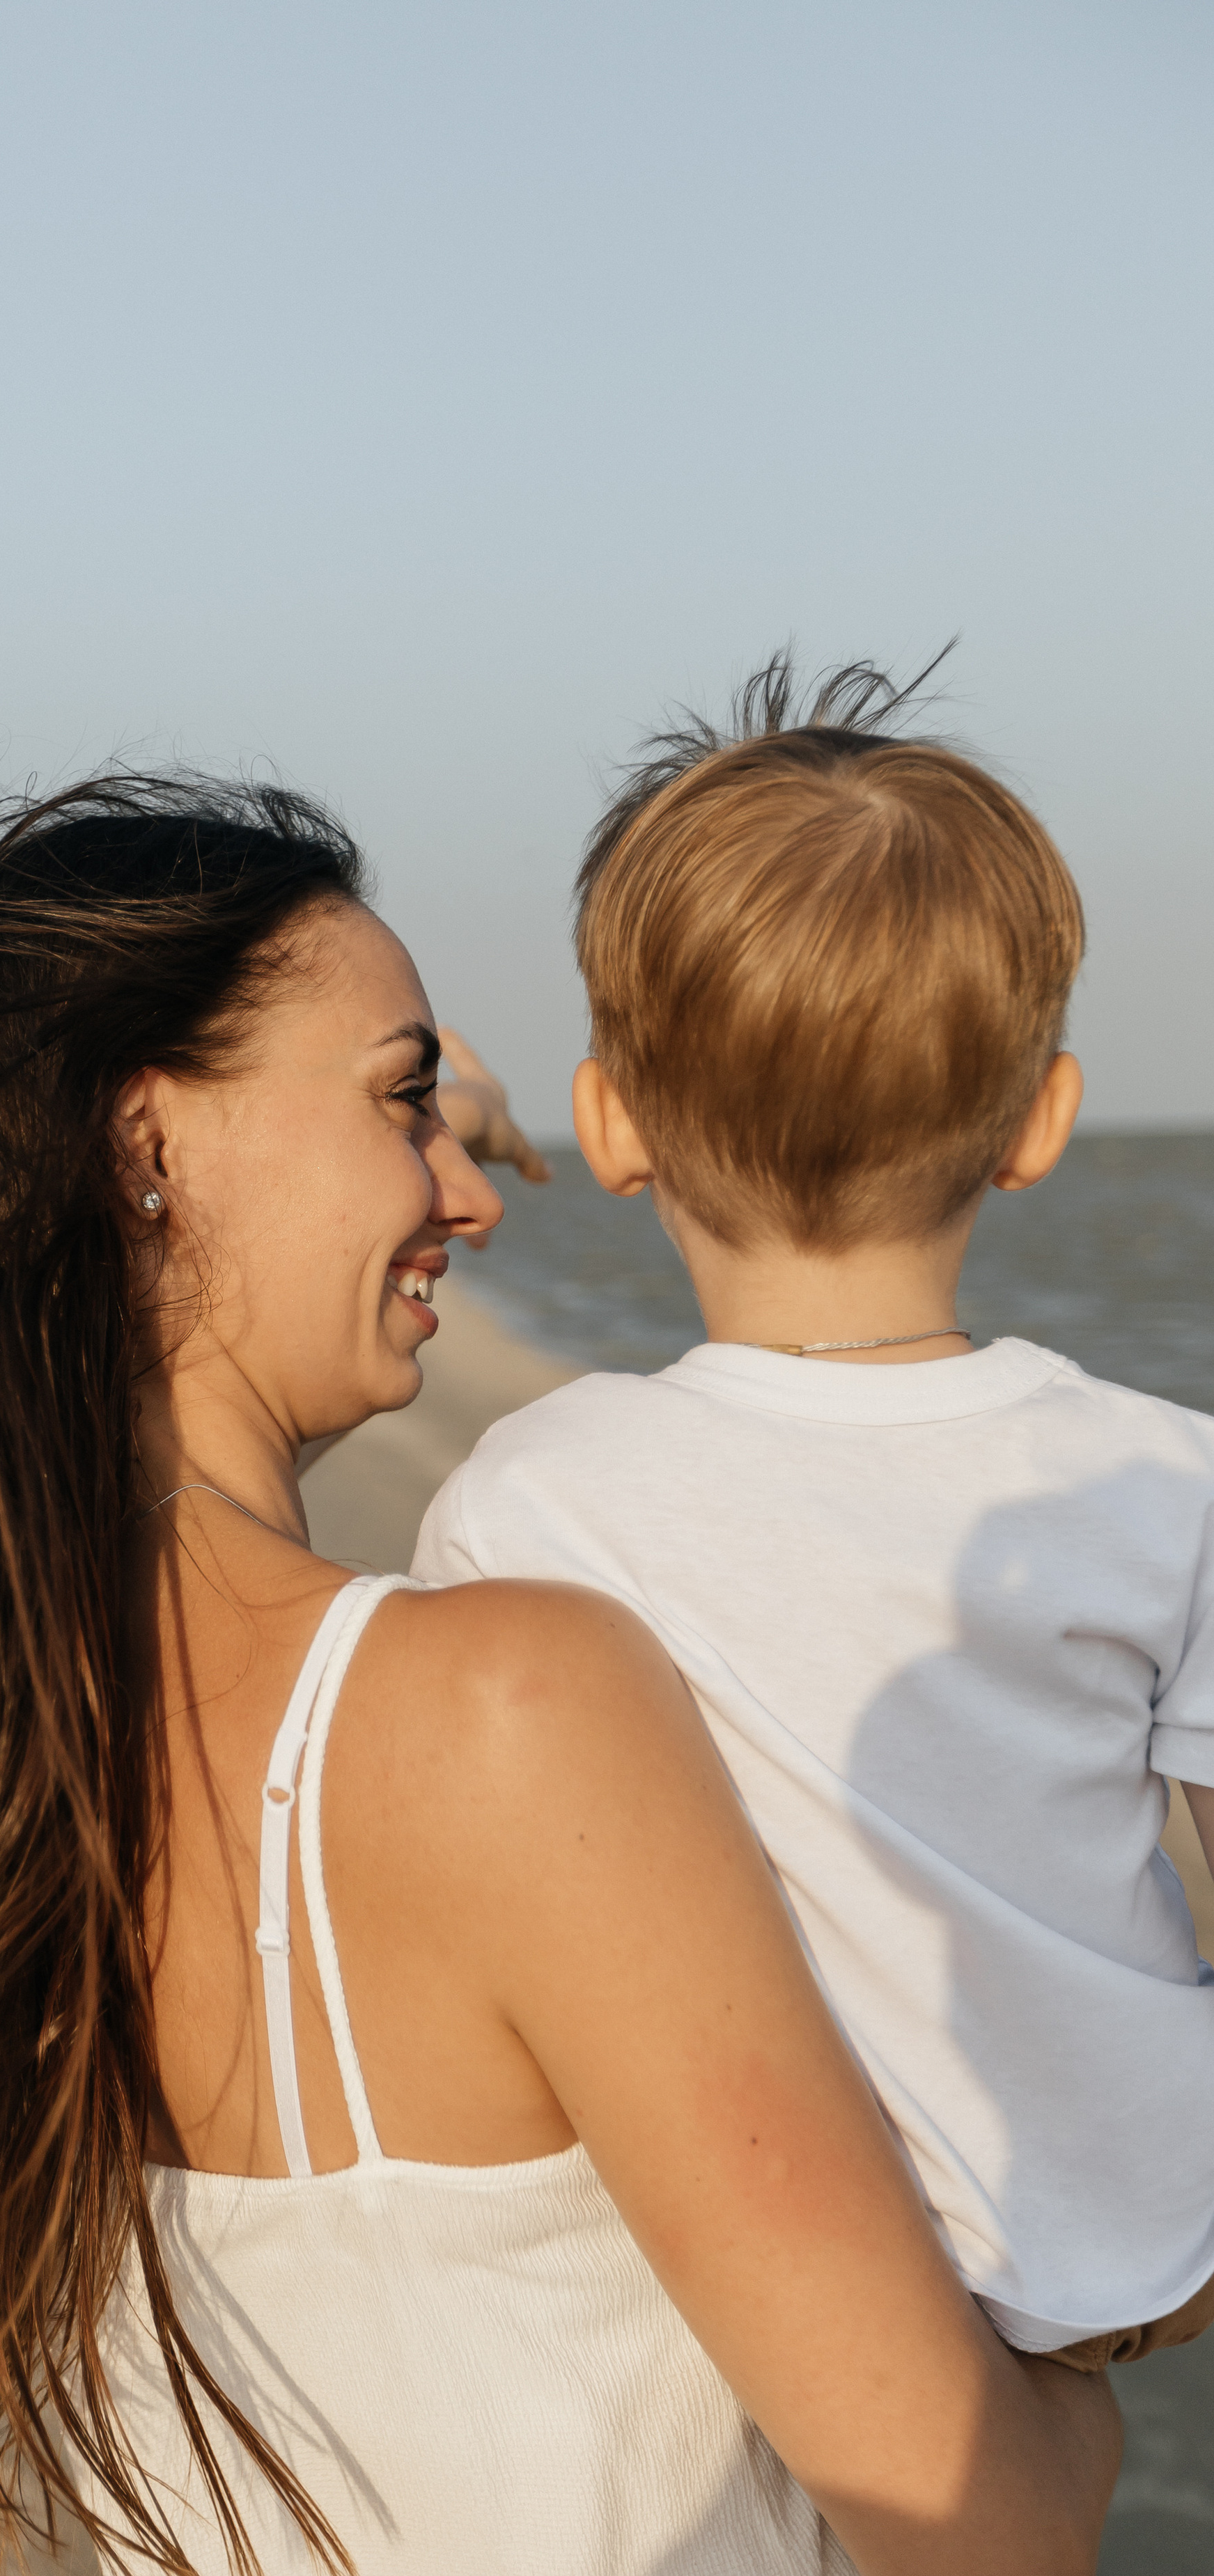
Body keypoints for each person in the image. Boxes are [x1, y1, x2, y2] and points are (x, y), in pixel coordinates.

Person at [0, 775, 1114, 2576]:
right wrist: (1101, 2336)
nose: (466, 1189)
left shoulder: (28, 1745)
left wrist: (412, 1095)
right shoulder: (505, 1712)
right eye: (407, 1103)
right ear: (139, 1138)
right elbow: (1001, 2573)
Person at [417, 657, 1214, 2380]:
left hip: (741, 2270)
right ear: (1042, 1125)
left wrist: (437, 1126)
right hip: (1128, 2244)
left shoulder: (537, 1498)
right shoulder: (1167, 1475)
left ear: (611, 1125)